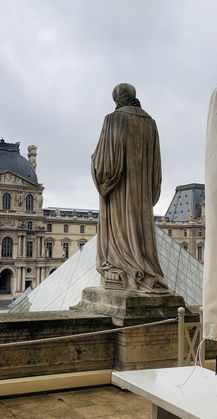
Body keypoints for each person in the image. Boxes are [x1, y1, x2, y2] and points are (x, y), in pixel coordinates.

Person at [91, 83, 168, 292]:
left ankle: (122, 267)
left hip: (118, 191)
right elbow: (157, 167)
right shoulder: (150, 123)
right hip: (142, 194)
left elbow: (105, 166)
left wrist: (94, 164)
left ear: (117, 98)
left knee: (121, 236)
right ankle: (143, 267)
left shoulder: (113, 119)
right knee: (139, 236)